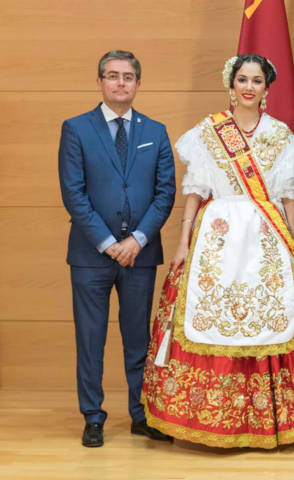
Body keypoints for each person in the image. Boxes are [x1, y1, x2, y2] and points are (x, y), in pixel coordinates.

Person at [141, 54, 294, 449]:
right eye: (242, 79)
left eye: (257, 80)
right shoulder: (207, 133)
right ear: (231, 84)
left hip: (268, 240)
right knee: (207, 313)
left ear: (267, 88)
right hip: (217, 238)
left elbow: (290, 198)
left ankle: (272, 419)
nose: (249, 87)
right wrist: (182, 243)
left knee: (272, 321)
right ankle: (209, 419)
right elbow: (194, 192)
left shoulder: (281, 135)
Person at [58, 50, 176, 447]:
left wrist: (137, 240)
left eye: (128, 76)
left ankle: (141, 414)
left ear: (138, 84)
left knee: (138, 338)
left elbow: (165, 193)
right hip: (91, 255)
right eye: (112, 75)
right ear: (100, 82)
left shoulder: (156, 132)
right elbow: (74, 194)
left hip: (140, 254)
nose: (120, 82)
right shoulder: (76, 128)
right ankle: (93, 416)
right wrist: (110, 244)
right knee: (90, 338)